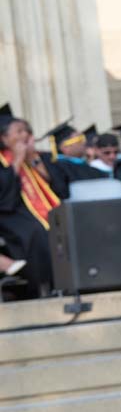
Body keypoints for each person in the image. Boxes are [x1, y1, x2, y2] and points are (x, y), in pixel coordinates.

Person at [0, 114, 56, 297]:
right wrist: (17, 159)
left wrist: (32, 158)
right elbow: (5, 195)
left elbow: (54, 186)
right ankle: (42, 284)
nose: (24, 135)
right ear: (4, 138)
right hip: (9, 213)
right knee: (35, 231)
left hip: (30, 212)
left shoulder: (34, 157)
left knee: (57, 225)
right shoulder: (4, 160)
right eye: (19, 131)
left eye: (26, 131)